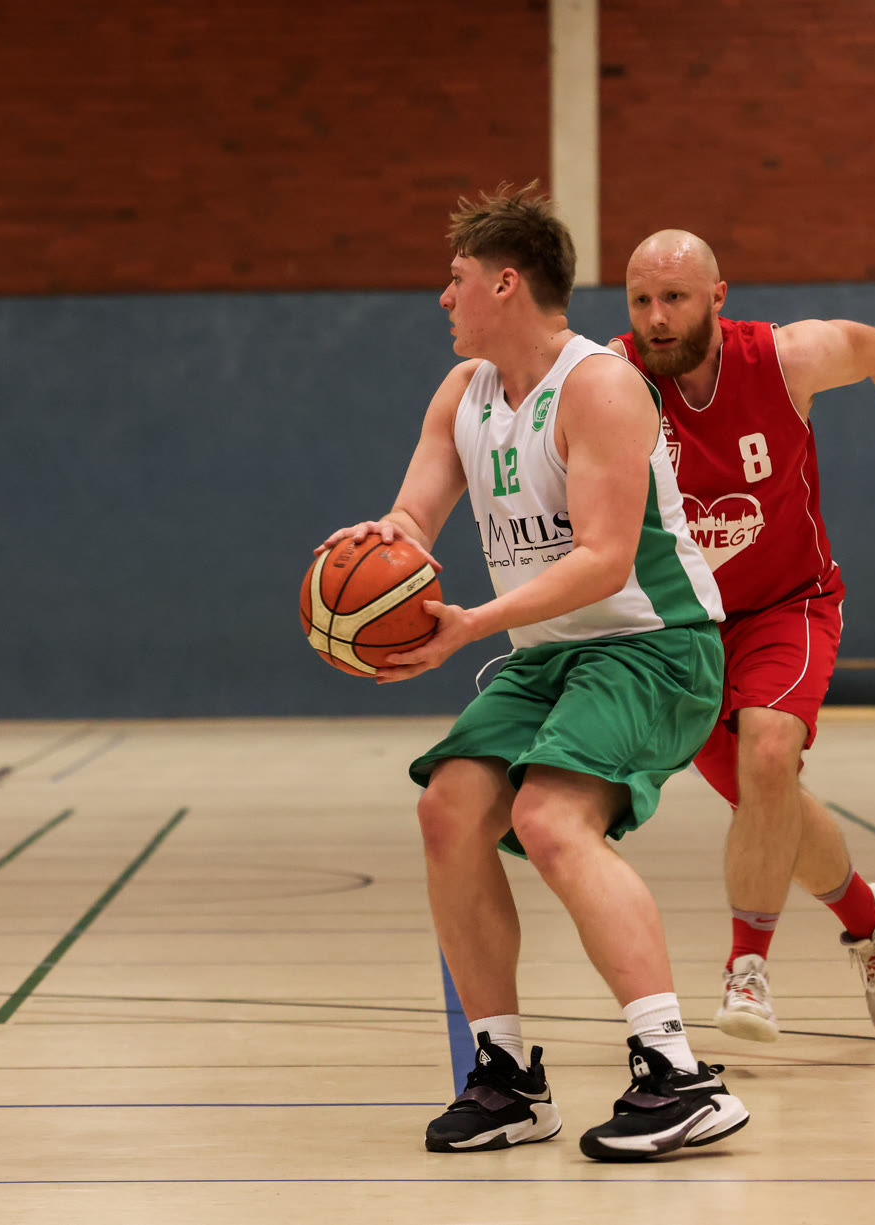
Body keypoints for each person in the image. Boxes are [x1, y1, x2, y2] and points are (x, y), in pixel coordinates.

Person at [319, 184, 747, 1161]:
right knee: (448, 810)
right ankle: (507, 1077)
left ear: (505, 283)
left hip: (653, 643)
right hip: (550, 652)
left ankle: (676, 1071)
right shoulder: (462, 394)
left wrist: (470, 625)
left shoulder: (599, 386)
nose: (444, 297)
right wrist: (377, 541)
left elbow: (602, 559)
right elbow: (414, 519)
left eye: (457, 278)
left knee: (551, 819)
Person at [610, 230, 875, 1042]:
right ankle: (874, 916)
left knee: (769, 757)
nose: (657, 318)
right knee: (767, 803)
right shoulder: (614, 375)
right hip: (684, 626)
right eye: (641, 300)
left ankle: (747, 970)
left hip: (787, 602)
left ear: (718, 297)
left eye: (675, 298)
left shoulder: (783, 359)